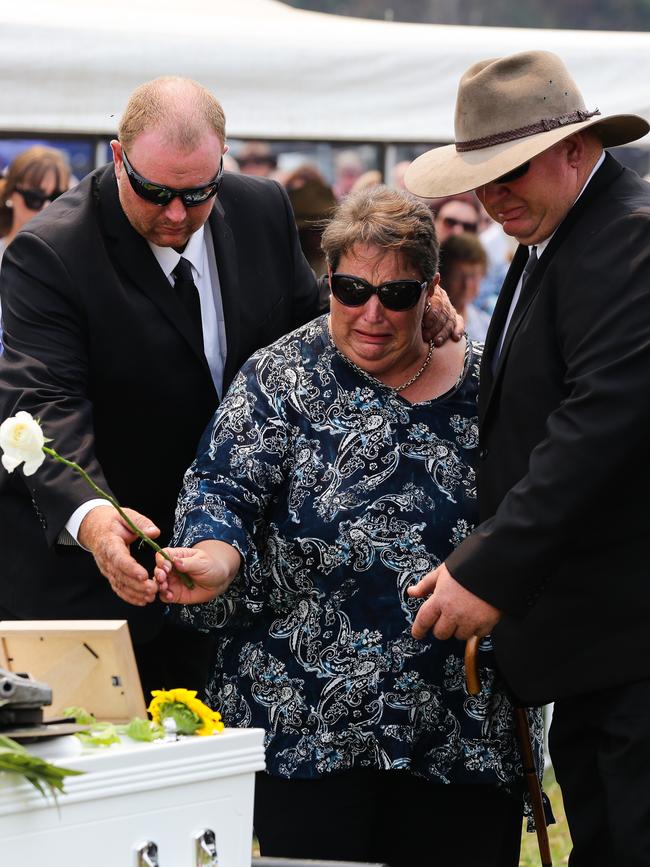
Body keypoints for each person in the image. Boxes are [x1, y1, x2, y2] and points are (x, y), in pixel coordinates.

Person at [154, 187, 539, 867]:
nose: (371, 313)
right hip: (307, 733)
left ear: (432, 290)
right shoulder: (281, 377)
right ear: (327, 280)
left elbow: (538, 511)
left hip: (461, 734)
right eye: (352, 288)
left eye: (395, 294)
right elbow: (222, 490)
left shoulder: (491, 386)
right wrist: (214, 555)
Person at [404, 49, 650, 866]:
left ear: (577, 149)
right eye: (481, 174)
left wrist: (487, 570)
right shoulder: (559, 233)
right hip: (598, 647)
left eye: (512, 169)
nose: (492, 192)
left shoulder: (625, 240)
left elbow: (598, 425)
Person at [0, 76, 320, 698]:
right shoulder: (52, 251)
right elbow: (45, 405)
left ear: (223, 163)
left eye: (199, 193)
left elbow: (309, 346)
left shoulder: (262, 211)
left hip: (232, 578)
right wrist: (94, 521)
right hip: (91, 588)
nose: (177, 214)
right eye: (156, 192)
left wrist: (413, 317)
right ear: (118, 157)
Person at [0, 146, 71, 350]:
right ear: (11, 194)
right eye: (34, 198)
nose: (46, 208)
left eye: (57, 198)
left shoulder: (76, 262)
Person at [439, 233, 491, 341]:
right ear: (442, 276)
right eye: (457, 276)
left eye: (473, 276)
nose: (466, 285)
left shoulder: (486, 324)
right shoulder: (432, 323)